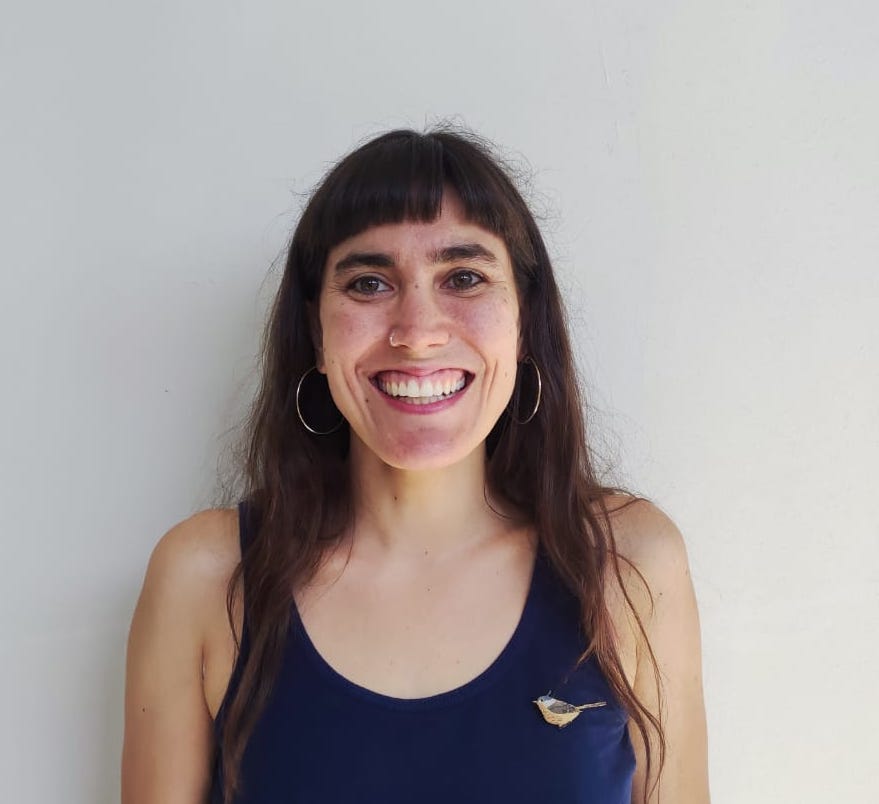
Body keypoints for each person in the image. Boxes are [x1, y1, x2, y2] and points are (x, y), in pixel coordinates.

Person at [122, 127, 709, 803]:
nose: (418, 332)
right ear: (315, 333)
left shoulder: (627, 564)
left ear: (525, 322)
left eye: (464, 278)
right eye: (369, 283)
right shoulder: (206, 577)